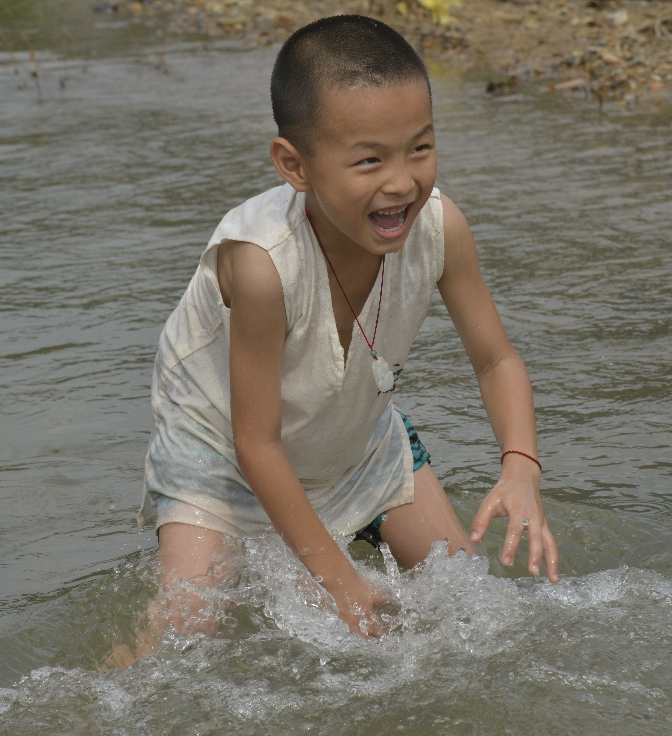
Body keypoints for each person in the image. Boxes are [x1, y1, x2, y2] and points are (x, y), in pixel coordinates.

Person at [108, 14, 558, 667]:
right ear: (295, 165)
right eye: (370, 159)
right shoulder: (263, 265)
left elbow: (496, 358)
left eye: (421, 148)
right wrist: (342, 581)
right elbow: (255, 445)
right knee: (185, 641)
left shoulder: (440, 228)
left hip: (356, 437)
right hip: (223, 455)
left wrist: (521, 468)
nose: (402, 181)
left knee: (470, 612)